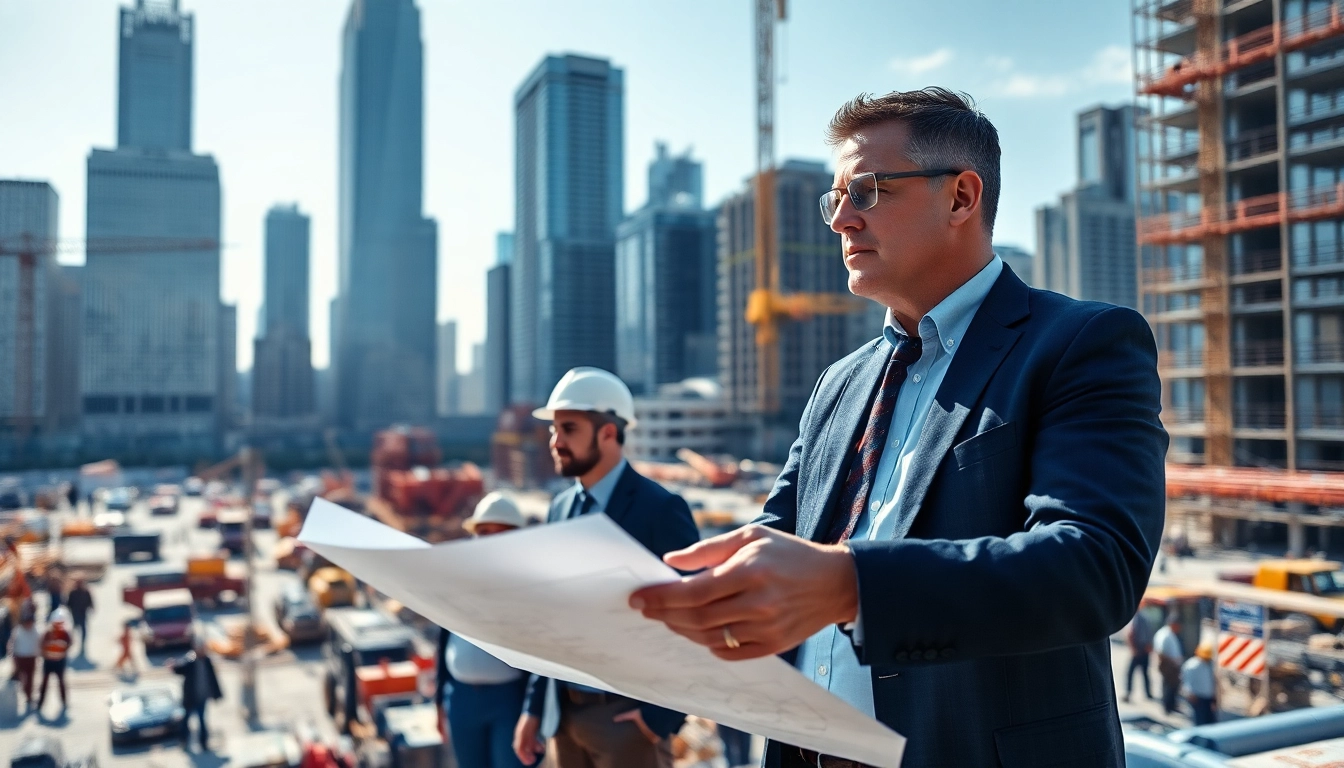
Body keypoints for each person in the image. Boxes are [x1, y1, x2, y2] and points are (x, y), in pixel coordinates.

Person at [629, 88, 1167, 768]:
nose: (841, 221)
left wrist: (852, 584)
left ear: (961, 198)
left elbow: (1095, 566)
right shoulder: (837, 384)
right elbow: (781, 545)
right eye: (836, 199)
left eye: (869, 191)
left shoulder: (1080, 344)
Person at [513, 367, 701, 768]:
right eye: (553, 430)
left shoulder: (661, 510)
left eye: (568, 429)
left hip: (628, 720)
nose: (555, 441)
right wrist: (533, 708)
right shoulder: (560, 509)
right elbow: (551, 618)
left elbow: (695, 614)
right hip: (564, 716)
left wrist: (660, 719)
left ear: (609, 434)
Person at [438, 493, 530, 768]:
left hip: (509, 700)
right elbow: (443, 640)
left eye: (497, 533)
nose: (488, 539)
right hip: (462, 699)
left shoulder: (528, 584)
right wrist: (438, 703)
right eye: (483, 532)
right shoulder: (457, 579)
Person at [170, 637, 222, 751]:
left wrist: (217, 694)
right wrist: (173, 666)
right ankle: (183, 741)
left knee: (202, 722)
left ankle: (203, 743)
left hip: (202, 698)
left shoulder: (207, 661)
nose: (203, 651)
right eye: (201, 649)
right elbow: (180, 669)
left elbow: (212, 679)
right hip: (191, 698)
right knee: (186, 721)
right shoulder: (190, 661)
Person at [36, 607, 71, 713]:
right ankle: (40, 703)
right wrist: (45, 652)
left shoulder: (65, 634)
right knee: (45, 682)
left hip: (59, 661)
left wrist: (63, 649)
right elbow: (41, 645)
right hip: (49, 661)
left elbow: (69, 643)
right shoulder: (48, 633)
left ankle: (64, 702)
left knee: (61, 682)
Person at [8, 606, 39, 710]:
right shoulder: (17, 631)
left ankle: (29, 696)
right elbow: (11, 644)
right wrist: (12, 657)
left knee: (30, 678)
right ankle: (27, 694)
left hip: (32, 657)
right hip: (20, 657)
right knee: (23, 677)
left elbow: (40, 643)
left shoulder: (35, 631)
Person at [1154, 615, 1186, 716]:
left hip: (1173, 665)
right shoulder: (1165, 634)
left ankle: (1171, 705)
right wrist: (1172, 662)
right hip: (1168, 665)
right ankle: (1167, 707)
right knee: (1168, 686)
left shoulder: (1170, 634)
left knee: (1173, 686)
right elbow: (1161, 653)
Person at [1181, 641, 1217, 725]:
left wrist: (1214, 696)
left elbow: (1212, 680)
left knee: (1210, 721)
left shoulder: (1210, 664)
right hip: (1197, 698)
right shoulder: (1191, 666)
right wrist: (1189, 694)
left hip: (1208, 697)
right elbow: (1186, 681)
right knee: (1199, 721)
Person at [1124, 610, 1154, 703]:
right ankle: (1131, 692)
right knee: (1140, 673)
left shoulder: (1139, 617)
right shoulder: (1141, 617)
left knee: (1136, 672)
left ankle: (1146, 693)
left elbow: (1131, 634)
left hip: (1141, 650)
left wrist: (1135, 649)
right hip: (1141, 649)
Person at [65, 579, 93, 656]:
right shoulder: (73, 593)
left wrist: (91, 607)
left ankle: (82, 645)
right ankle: (69, 644)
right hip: (75, 614)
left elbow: (90, 601)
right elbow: (68, 603)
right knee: (72, 631)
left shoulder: (86, 592)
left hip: (83, 614)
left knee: (83, 631)